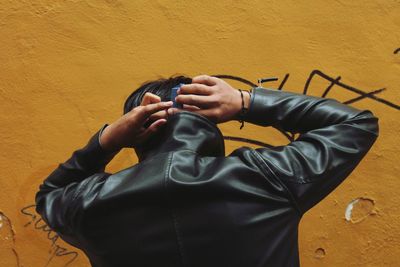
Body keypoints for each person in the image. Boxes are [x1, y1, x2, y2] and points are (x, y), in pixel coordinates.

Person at [35, 74, 379, 267]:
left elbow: (49, 194)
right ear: (212, 123)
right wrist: (246, 101)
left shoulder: (91, 204)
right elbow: (356, 123)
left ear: (138, 132)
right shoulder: (265, 178)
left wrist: (108, 139)